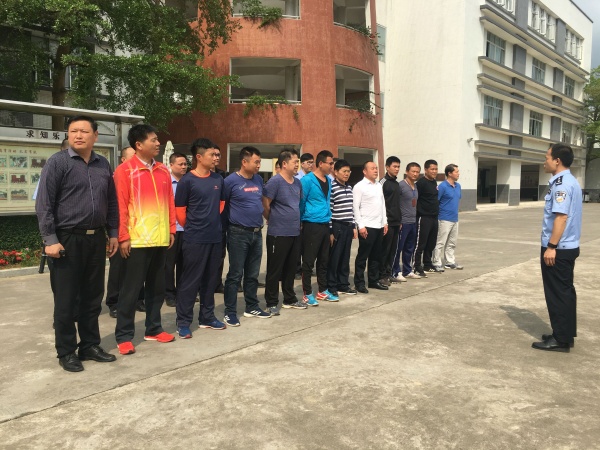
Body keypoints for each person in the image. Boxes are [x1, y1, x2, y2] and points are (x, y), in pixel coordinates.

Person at [36, 115, 118, 372]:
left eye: (84, 131)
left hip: (95, 239)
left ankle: (90, 345)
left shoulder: (102, 164)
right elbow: (44, 204)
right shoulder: (58, 162)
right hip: (67, 239)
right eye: (73, 131)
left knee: (93, 297)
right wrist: (50, 240)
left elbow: (111, 201)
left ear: (95, 136)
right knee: (67, 299)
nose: (78, 136)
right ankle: (66, 351)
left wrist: (113, 233)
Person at [113, 124, 176, 355]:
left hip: (160, 239)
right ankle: (124, 336)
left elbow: (170, 202)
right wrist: (123, 236)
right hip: (136, 240)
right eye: (153, 140)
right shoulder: (125, 171)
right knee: (130, 291)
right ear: (139, 145)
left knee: (157, 289)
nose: (158, 143)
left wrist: (171, 229)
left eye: (158, 139)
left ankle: (154, 329)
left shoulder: (163, 171)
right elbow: (119, 205)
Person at [532, 143, 582, 352]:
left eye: (547, 157)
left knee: (557, 294)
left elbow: (561, 218)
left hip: (558, 248)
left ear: (557, 161)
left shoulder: (561, 185)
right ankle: (564, 334)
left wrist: (551, 247)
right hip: (568, 246)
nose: (545, 161)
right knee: (565, 292)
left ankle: (560, 340)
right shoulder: (571, 181)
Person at [174, 138, 226, 339]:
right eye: (212, 154)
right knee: (190, 281)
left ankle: (207, 317)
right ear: (199, 157)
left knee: (210, 280)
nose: (215, 158)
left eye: (216, 154)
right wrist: (194, 226)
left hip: (215, 237)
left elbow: (221, 204)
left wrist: (210, 221)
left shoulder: (218, 179)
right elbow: (180, 211)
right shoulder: (187, 181)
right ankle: (183, 322)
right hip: (195, 238)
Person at [222, 146, 270, 326]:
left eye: (259, 162)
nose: (259, 165)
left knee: (253, 274)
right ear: (244, 162)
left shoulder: (258, 179)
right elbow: (223, 206)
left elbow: (261, 203)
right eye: (256, 162)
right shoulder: (230, 181)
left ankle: (252, 306)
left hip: (257, 233)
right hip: (238, 233)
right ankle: (230, 312)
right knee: (235, 274)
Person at [263, 149, 307, 314]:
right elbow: (265, 204)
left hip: (294, 232)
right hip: (278, 233)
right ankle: (271, 302)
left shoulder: (297, 183)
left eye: (297, 162)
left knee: (290, 268)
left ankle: (290, 299)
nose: (297, 165)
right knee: (275, 269)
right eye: (295, 162)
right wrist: (274, 218)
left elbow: (297, 205)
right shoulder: (275, 182)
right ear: (284, 164)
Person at [106, 146, 146, 318]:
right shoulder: (115, 178)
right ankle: (114, 302)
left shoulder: (141, 177)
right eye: (132, 157)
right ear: (123, 160)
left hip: (139, 231)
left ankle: (138, 299)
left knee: (138, 267)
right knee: (118, 268)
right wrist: (114, 233)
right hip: (119, 230)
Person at [300, 149, 335, 305]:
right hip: (311, 223)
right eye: (330, 163)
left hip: (325, 223)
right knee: (309, 261)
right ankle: (307, 293)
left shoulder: (328, 180)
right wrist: (301, 220)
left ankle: (322, 290)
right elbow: (301, 202)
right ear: (321, 163)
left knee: (323, 260)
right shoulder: (307, 180)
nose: (332, 166)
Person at [353, 161, 388, 293]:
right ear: (364, 171)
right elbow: (355, 207)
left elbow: (382, 205)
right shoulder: (359, 186)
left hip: (379, 225)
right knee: (363, 256)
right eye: (372, 168)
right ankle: (359, 283)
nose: (375, 170)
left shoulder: (378, 185)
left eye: (376, 168)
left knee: (376, 256)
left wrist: (385, 222)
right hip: (367, 226)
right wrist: (360, 226)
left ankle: (373, 280)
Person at [327, 159, 357, 296]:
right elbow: (329, 210)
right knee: (335, 257)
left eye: (348, 171)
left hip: (348, 226)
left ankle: (343, 284)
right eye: (344, 171)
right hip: (337, 226)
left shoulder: (349, 187)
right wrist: (330, 230)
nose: (347, 174)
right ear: (336, 172)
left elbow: (351, 209)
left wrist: (353, 226)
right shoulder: (332, 187)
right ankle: (332, 285)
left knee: (345, 257)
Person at [164, 152, 188, 308]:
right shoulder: (165, 183)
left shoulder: (189, 182)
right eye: (180, 164)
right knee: (168, 264)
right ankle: (169, 294)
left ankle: (182, 292)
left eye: (185, 164)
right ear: (171, 165)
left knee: (184, 263)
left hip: (187, 229)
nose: (184, 167)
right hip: (171, 230)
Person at [392, 162, 422, 280]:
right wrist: (398, 220)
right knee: (399, 248)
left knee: (409, 247)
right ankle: (396, 271)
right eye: (413, 171)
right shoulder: (401, 186)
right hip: (403, 222)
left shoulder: (415, 186)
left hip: (413, 221)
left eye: (417, 172)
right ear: (407, 172)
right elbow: (396, 203)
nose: (415, 174)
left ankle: (407, 270)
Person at [432, 164, 463, 271]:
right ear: (449, 173)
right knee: (440, 242)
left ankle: (450, 262)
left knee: (452, 242)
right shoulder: (442, 186)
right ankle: (436, 262)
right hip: (444, 218)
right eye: (456, 172)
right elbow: (436, 201)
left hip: (455, 218)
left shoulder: (458, 186)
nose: (458, 173)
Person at [414, 160, 442, 275]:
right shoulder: (421, 183)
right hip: (424, 217)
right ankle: (416, 266)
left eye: (436, 169)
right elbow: (415, 199)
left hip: (434, 217)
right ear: (426, 170)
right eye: (432, 169)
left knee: (431, 243)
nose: (434, 171)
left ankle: (427, 264)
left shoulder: (434, 182)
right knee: (421, 243)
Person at [379, 156, 402, 285]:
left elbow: (397, 204)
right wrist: (384, 222)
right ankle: (381, 276)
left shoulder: (396, 184)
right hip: (387, 222)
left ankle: (389, 274)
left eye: (398, 167)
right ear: (387, 167)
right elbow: (380, 204)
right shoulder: (382, 183)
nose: (397, 169)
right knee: (384, 250)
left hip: (396, 222)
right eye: (394, 166)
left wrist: (400, 221)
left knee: (393, 250)